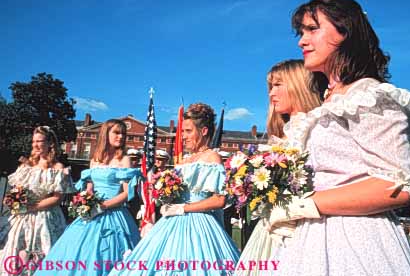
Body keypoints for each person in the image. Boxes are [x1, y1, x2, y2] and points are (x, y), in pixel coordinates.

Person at [266, 0, 410, 275]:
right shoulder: (327, 102)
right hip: (311, 239)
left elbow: (396, 187)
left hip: (357, 239)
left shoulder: (369, 96)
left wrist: (304, 205)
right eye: (301, 32)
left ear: (345, 32)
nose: (302, 41)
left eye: (312, 29)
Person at [109, 103, 239, 276]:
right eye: (182, 131)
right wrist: (165, 195)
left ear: (204, 131)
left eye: (188, 131)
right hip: (170, 222)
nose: (183, 136)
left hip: (199, 226)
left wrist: (182, 208)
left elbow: (219, 199)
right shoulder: (185, 160)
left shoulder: (212, 157)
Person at [235, 59, 322, 276]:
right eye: (269, 87)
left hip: (303, 230)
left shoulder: (317, 127)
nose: (271, 93)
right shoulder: (282, 136)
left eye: (278, 85)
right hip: (269, 229)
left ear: (298, 84)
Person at [35, 119, 141, 276]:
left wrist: (102, 206)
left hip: (115, 214)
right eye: (116, 133)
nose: (121, 137)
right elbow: (89, 189)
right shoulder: (95, 160)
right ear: (106, 134)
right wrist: (84, 201)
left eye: (123, 134)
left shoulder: (124, 159)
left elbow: (126, 194)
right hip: (90, 215)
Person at [0, 126, 74, 275]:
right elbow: (15, 190)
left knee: (42, 258)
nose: (35, 145)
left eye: (39, 141)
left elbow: (57, 198)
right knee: (15, 254)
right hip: (21, 218)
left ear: (50, 143)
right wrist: (12, 200)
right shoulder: (27, 166)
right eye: (34, 141)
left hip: (45, 217)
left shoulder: (57, 167)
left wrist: (32, 207)